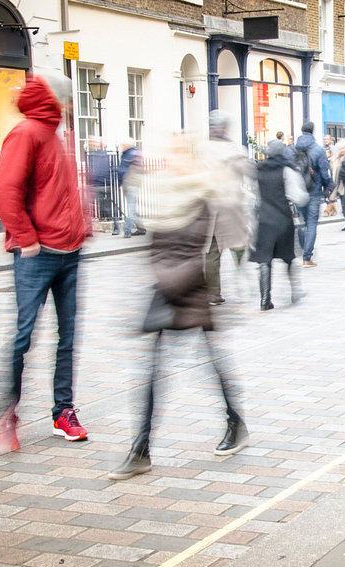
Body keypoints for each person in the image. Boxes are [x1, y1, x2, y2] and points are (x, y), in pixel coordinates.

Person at [109, 136, 248, 480]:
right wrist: (159, 279)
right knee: (155, 372)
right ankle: (141, 449)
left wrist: (164, 283)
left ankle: (235, 422)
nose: (170, 161)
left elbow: (197, 248)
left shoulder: (201, 195)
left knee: (211, 363)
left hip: (189, 288)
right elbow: (154, 246)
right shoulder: (163, 196)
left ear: (191, 159)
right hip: (166, 288)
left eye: (176, 155)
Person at [0, 71, 90, 453]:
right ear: (57, 99)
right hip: (38, 254)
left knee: (68, 336)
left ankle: (63, 410)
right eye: (67, 100)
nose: (69, 107)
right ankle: (6, 416)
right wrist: (27, 239)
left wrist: (82, 227)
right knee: (24, 335)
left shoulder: (56, 135)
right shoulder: (28, 132)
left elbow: (60, 190)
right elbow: (3, 189)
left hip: (69, 252)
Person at [202, 111, 253, 306]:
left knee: (212, 251)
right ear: (225, 127)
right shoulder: (236, 150)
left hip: (211, 204)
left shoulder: (202, 149)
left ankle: (213, 292)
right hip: (232, 204)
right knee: (239, 243)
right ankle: (243, 277)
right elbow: (249, 172)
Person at [254, 139, 310, 311]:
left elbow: (253, 195)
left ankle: (265, 299)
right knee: (288, 257)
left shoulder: (258, 169)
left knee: (264, 260)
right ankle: (295, 291)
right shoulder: (287, 169)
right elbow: (298, 196)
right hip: (282, 218)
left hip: (263, 219)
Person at [294, 121, 334, 267]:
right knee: (311, 224)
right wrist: (330, 188)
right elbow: (325, 173)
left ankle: (304, 247)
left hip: (298, 191)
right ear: (313, 131)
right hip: (314, 191)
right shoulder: (318, 150)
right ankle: (307, 257)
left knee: (302, 222)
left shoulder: (294, 150)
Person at [117, 139, 147, 239]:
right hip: (128, 183)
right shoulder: (127, 153)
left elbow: (125, 170)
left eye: (123, 144)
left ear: (127, 145)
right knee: (132, 206)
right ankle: (141, 228)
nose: (121, 146)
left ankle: (127, 230)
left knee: (131, 207)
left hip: (131, 183)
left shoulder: (131, 154)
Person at [329, 139, 345, 231]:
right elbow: (333, 174)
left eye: (344, 148)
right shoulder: (335, 159)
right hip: (339, 186)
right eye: (341, 148)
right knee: (343, 206)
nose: (343, 150)